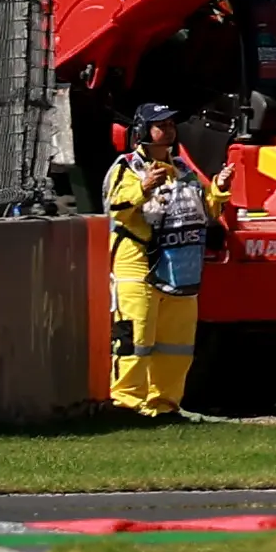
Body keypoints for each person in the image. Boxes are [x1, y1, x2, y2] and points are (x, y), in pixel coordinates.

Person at [101, 102, 229, 419]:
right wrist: (143, 189)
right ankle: (126, 405)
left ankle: (165, 404)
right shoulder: (126, 167)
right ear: (143, 132)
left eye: (172, 124)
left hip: (179, 271)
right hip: (137, 266)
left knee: (177, 344)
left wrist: (220, 190)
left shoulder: (184, 169)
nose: (169, 129)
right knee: (135, 340)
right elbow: (114, 207)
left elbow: (206, 209)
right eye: (162, 125)